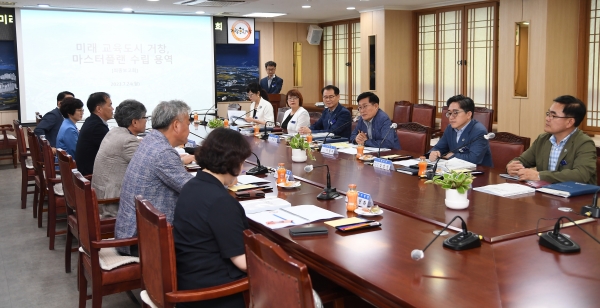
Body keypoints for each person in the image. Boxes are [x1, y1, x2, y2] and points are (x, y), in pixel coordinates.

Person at [173, 128, 251, 308]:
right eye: (242, 162)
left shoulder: (191, 185)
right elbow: (244, 263)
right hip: (214, 293)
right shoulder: (221, 202)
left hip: (190, 277)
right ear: (234, 163)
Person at [115, 100, 195, 256]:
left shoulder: (151, 141)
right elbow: (193, 190)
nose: (189, 128)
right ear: (176, 125)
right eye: (188, 123)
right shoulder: (163, 152)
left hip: (135, 231)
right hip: (142, 241)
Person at [507, 95, 597, 184]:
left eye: (553, 116)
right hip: (546, 194)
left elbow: (581, 175)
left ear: (569, 122)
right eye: (548, 114)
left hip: (577, 197)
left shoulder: (584, 143)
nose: (547, 119)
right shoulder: (543, 139)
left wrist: (539, 176)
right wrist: (512, 166)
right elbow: (522, 160)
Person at [91, 100, 147, 218]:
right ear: (135, 122)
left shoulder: (114, 132)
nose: (146, 120)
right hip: (112, 205)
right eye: (144, 117)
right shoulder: (128, 141)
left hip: (100, 196)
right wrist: (183, 159)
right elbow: (150, 166)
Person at [428, 95, 493, 167]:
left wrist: (452, 156)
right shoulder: (450, 128)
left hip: (479, 173)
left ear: (468, 114)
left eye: (455, 113)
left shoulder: (479, 131)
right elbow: (440, 147)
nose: (451, 117)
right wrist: (434, 153)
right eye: (449, 113)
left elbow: (474, 158)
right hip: (455, 169)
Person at [75, 92, 114, 175]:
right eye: (110, 105)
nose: (112, 109)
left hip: (84, 172)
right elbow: (113, 151)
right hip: (90, 176)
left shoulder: (91, 121)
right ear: (99, 109)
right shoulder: (97, 127)